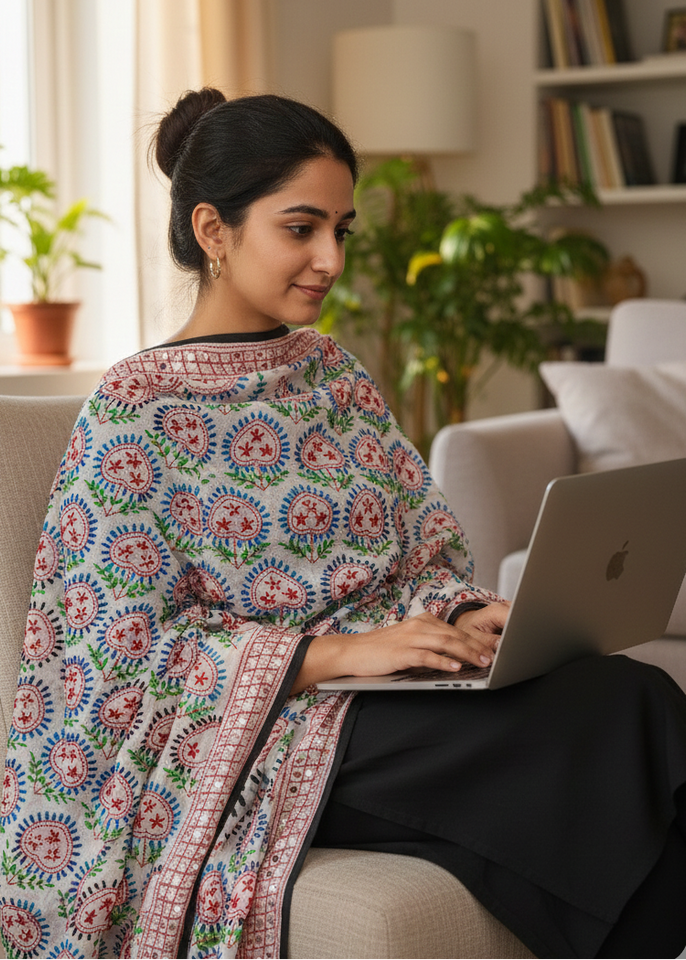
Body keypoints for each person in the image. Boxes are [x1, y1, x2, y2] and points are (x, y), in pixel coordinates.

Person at [0, 89, 685, 960]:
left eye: (342, 229)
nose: (330, 258)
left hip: (391, 698)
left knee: (629, 695)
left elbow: (420, 551)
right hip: (271, 733)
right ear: (213, 230)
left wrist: (462, 614)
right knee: (617, 714)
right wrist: (326, 655)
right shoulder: (137, 409)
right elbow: (108, 653)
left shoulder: (334, 376)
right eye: (300, 228)